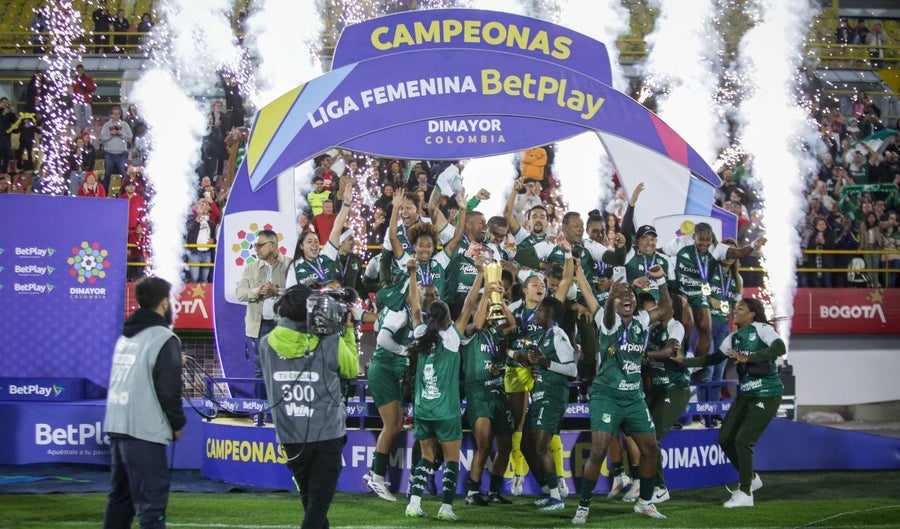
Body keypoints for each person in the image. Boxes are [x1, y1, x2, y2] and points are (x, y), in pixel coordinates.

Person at [572, 265, 672, 524]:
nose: (626, 298)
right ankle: (583, 507)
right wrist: (610, 297)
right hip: (606, 396)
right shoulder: (608, 321)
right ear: (614, 302)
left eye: (630, 295)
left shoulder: (642, 321)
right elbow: (603, 311)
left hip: (633, 397)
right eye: (621, 296)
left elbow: (665, 308)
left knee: (651, 449)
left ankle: (645, 502)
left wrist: (661, 280)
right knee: (598, 450)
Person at [258, 285, 359, 529]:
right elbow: (351, 369)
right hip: (327, 434)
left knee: (312, 506)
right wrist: (346, 330)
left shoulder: (265, 344)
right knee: (317, 509)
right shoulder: (330, 341)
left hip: (290, 436)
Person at [677, 298, 786, 508]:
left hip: (767, 394)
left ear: (752, 314)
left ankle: (745, 493)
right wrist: (685, 362)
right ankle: (751, 478)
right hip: (746, 395)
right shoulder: (733, 338)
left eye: (740, 308)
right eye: (735, 308)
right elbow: (713, 359)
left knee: (742, 440)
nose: (735, 311)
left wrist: (750, 357)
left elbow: (779, 347)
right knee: (725, 438)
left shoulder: (762, 329)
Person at [103, 276, 185, 529]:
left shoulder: (126, 336)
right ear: (164, 302)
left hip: (117, 425)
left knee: (120, 500)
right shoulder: (163, 338)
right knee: (152, 507)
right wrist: (177, 423)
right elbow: (168, 390)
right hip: (144, 430)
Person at [404, 256, 479, 521]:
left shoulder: (420, 334)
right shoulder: (451, 338)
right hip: (446, 410)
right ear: (448, 319)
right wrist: (480, 275)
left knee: (426, 456)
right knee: (451, 459)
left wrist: (412, 272)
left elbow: (414, 307)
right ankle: (446, 508)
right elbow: (469, 305)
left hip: (423, 409)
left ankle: (414, 503)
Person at [236, 229, 290, 400]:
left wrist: (276, 292)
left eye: (260, 245)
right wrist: (257, 291)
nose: (256, 249)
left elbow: (298, 293)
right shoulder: (251, 268)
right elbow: (240, 293)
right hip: (260, 326)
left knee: (283, 370)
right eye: (255, 245)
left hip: (283, 326)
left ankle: (281, 410)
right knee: (261, 370)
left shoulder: (290, 265)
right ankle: (261, 410)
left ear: (273, 245)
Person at [100, 107, 133, 192]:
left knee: (123, 174)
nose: (116, 115)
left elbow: (130, 137)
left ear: (120, 114)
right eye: (114, 113)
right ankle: (104, 194)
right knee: (107, 174)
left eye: (118, 113)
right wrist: (110, 134)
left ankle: (124, 194)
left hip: (122, 153)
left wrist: (121, 134)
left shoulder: (125, 125)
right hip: (109, 153)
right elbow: (102, 138)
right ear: (111, 115)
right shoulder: (106, 125)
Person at [185, 199, 216, 283]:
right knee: (194, 278)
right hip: (195, 253)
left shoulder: (211, 224)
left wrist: (213, 241)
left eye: (204, 204)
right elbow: (188, 232)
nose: (202, 205)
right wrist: (196, 222)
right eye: (200, 204)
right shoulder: (191, 221)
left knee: (204, 279)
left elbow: (214, 237)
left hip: (207, 254)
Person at [71, 64, 97, 135]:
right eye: (79, 70)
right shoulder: (74, 80)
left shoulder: (88, 79)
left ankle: (88, 133)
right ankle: (79, 133)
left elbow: (93, 88)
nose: (80, 71)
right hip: (77, 101)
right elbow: (71, 89)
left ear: (83, 70)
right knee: (78, 118)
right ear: (77, 71)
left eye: (81, 70)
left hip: (86, 101)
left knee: (88, 118)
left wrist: (85, 85)